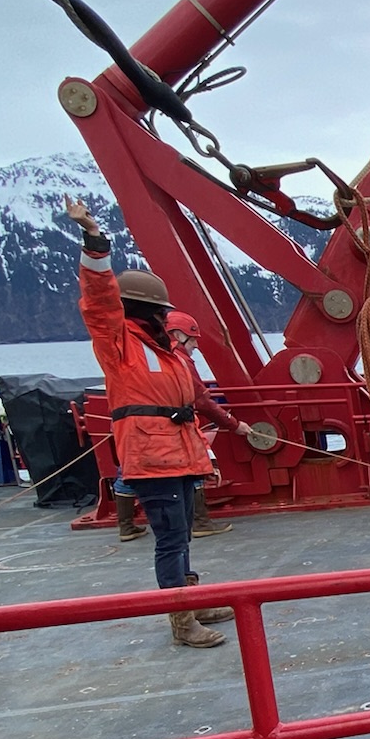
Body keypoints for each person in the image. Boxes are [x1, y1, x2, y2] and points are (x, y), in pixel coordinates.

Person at [64, 195, 252, 649]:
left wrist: (230, 426)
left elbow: (197, 399)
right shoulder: (118, 340)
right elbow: (98, 300)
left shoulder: (168, 353)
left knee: (182, 533)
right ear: (142, 309)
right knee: (169, 539)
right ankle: (181, 618)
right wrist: (94, 239)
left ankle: (191, 597)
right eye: (159, 310)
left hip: (181, 453)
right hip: (153, 456)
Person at [163, 309, 244, 537]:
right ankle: (200, 523)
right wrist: (234, 424)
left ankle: (140, 522)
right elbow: (202, 400)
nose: (196, 345)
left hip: (160, 427)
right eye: (193, 339)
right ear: (178, 335)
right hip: (180, 425)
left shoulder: (162, 357)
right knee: (197, 467)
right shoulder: (182, 362)